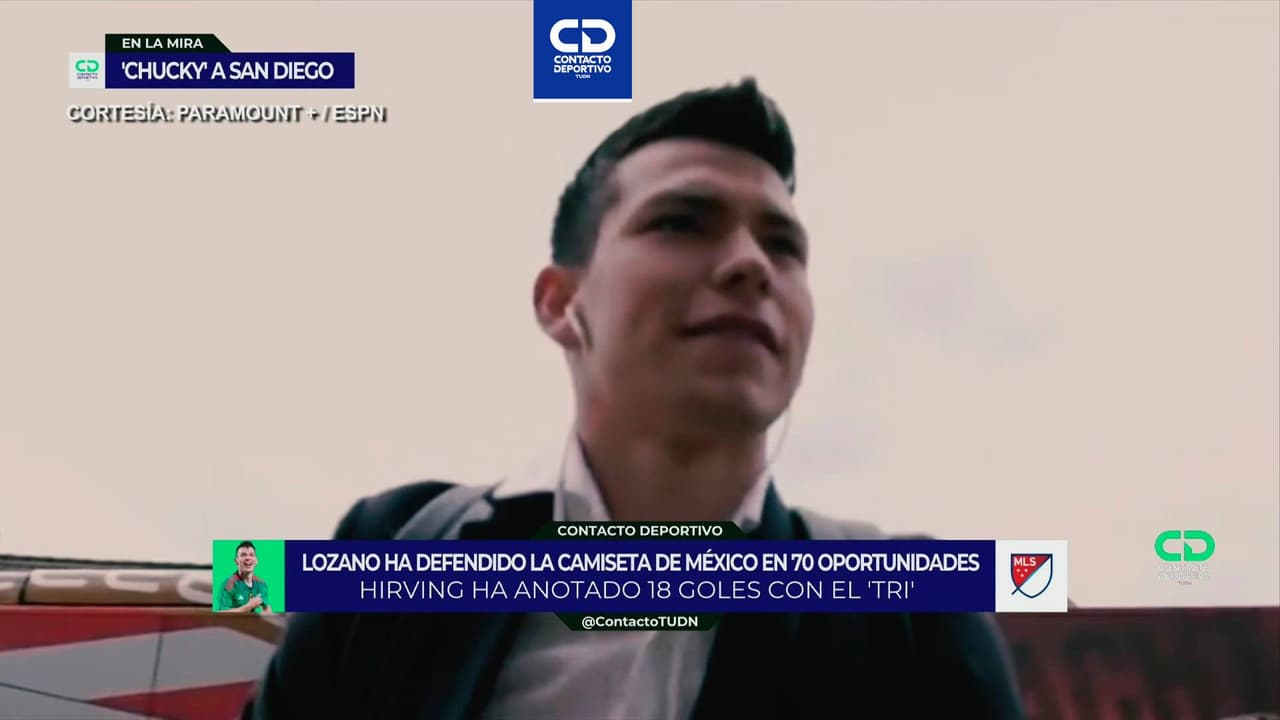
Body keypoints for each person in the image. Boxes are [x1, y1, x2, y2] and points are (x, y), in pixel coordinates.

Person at [245, 78, 1025, 719]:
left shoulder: (916, 616)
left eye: (783, 245)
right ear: (560, 303)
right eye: (682, 223)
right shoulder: (390, 551)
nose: (751, 264)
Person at [218, 540, 271, 613]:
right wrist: (248, 606)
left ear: (256, 560)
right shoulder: (228, 584)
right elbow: (221, 614)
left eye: (251, 555)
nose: (248, 558)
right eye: (243, 555)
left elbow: (267, 608)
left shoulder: (261, 584)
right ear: (236, 561)